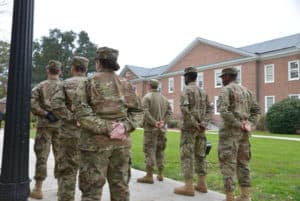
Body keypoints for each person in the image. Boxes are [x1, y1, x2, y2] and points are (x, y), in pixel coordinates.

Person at [73, 47, 140, 201]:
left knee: (91, 192)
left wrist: (108, 128)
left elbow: (82, 113)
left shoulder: (88, 83)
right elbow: (138, 111)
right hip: (121, 145)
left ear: (98, 63)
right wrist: (124, 126)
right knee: (121, 189)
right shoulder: (126, 84)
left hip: (94, 146)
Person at [217, 68, 260, 201]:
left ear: (229, 76)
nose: (222, 80)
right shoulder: (247, 91)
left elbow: (223, 110)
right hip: (244, 135)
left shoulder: (226, 90)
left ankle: (230, 198)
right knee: (243, 164)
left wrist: (237, 123)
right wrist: (250, 124)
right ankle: (245, 197)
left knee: (227, 164)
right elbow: (257, 110)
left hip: (229, 134)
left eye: (223, 77)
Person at [51, 56, 89, 201]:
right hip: (91, 135)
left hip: (69, 134)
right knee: (90, 173)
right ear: (85, 69)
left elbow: (56, 104)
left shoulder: (65, 84)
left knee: (67, 171)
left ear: (73, 67)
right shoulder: (95, 84)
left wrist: (73, 117)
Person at [174, 66, 211, 196]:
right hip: (201, 130)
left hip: (189, 130)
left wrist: (195, 124)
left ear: (188, 77)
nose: (184, 79)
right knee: (201, 155)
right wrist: (203, 123)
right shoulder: (203, 92)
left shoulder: (186, 90)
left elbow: (184, 109)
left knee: (187, 156)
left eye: (185, 77)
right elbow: (209, 110)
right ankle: (202, 184)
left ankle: (188, 186)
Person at [30, 60, 62, 199]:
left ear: (48, 71)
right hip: (61, 126)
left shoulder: (40, 86)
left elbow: (31, 102)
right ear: (59, 71)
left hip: (44, 125)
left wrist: (45, 114)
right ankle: (62, 187)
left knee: (42, 157)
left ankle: (38, 189)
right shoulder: (65, 87)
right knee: (61, 157)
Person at [137, 79, 172, 184]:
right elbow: (169, 112)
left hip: (150, 130)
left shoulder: (147, 97)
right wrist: (163, 122)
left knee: (149, 151)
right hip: (162, 129)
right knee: (160, 151)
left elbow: (145, 112)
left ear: (149, 85)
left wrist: (154, 122)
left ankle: (149, 175)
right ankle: (160, 174)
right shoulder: (164, 99)